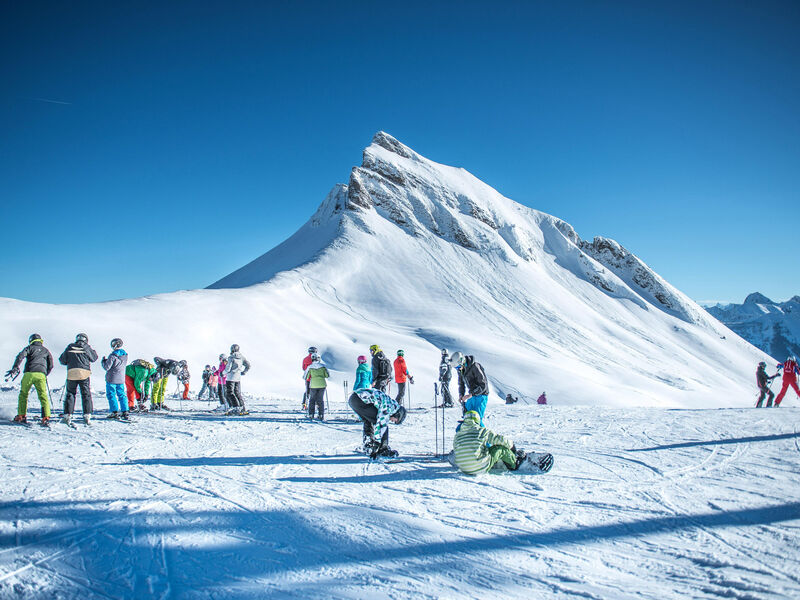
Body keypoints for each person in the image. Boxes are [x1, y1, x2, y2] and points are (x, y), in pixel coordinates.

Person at [452, 410, 527, 475]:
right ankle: (514, 463)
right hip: (479, 468)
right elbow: (499, 440)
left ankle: (469, 462)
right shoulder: (482, 431)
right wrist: (511, 446)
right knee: (499, 448)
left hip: (463, 469)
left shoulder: (457, 435)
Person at [6, 333, 53, 425]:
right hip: (41, 374)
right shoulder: (46, 350)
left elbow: (20, 356)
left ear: (31, 340)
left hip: (29, 373)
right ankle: (46, 417)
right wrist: (45, 373)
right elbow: (51, 365)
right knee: (43, 396)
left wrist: (15, 367)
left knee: (23, 394)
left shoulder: (29, 348)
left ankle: (21, 416)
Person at [348, 387, 407, 458]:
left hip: (354, 398)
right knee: (383, 424)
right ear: (398, 414)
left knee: (368, 420)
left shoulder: (390, 402)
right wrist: (377, 444)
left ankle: (368, 444)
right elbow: (381, 425)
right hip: (360, 400)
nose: (392, 421)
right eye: (395, 421)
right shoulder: (390, 407)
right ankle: (383, 449)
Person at [59, 333, 99, 425]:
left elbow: (62, 360)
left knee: (70, 393)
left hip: (72, 372)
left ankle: (68, 414)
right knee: (86, 394)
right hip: (84, 373)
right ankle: (87, 415)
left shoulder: (70, 346)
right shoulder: (87, 347)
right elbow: (94, 358)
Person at [450, 351, 488, 422]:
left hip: (481, 395)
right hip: (472, 395)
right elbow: (461, 384)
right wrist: (461, 394)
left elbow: (483, 385)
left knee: (476, 419)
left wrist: (471, 394)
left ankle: (480, 432)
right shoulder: (461, 370)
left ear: (462, 361)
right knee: (468, 417)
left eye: (458, 367)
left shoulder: (475, 367)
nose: (458, 369)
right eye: (456, 368)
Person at [101, 338, 129, 420]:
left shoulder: (112, 356)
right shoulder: (125, 355)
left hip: (112, 378)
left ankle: (115, 412)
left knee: (111, 394)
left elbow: (107, 367)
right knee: (122, 394)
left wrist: (103, 361)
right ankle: (125, 411)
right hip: (121, 378)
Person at [223, 344, 250, 415]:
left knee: (230, 392)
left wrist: (223, 373)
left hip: (230, 377)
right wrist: (244, 372)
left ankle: (236, 407)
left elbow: (228, 368)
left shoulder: (231, 358)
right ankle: (242, 407)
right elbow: (248, 365)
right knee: (237, 392)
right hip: (238, 378)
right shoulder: (242, 357)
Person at [304, 352, 329, 420]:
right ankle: (321, 415)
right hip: (322, 385)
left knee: (312, 399)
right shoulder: (323, 366)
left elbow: (306, 376)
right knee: (320, 400)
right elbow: (327, 375)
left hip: (313, 385)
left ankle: (311, 414)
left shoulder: (310, 367)